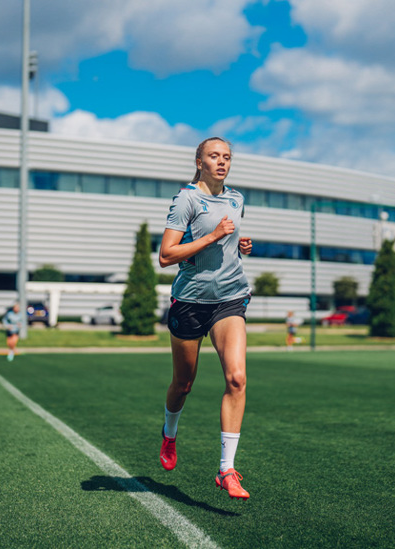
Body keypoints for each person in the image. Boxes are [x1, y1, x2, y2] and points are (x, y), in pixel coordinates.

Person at [158, 137, 253, 500]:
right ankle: (169, 434)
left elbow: (231, 247)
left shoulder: (237, 198)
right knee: (183, 384)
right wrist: (213, 236)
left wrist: (242, 246)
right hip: (190, 302)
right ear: (200, 161)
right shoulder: (187, 199)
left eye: (227, 157)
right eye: (214, 156)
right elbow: (166, 255)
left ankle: (226, 470)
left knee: (237, 378)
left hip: (229, 299)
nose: (222, 162)